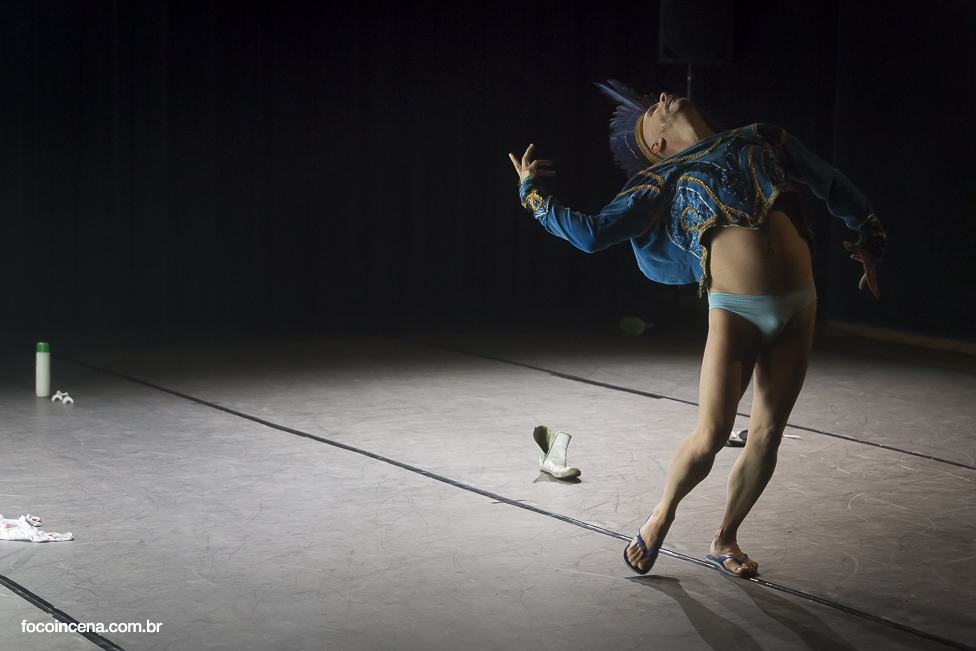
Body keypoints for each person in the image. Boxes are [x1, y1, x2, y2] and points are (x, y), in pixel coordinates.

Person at [508, 80, 886, 578]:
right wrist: (531, 193)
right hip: (735, 311)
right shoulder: (658, 179)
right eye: (653, 113)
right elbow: (592, 233)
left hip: (800, 304)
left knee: (767, 435)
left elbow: (829, 182)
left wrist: (868, 233)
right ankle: (661, 515)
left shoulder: (761, 136)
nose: (662, 100)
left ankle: (725, 538)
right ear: (657, 144)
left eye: (657, 101)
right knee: (712, 434)